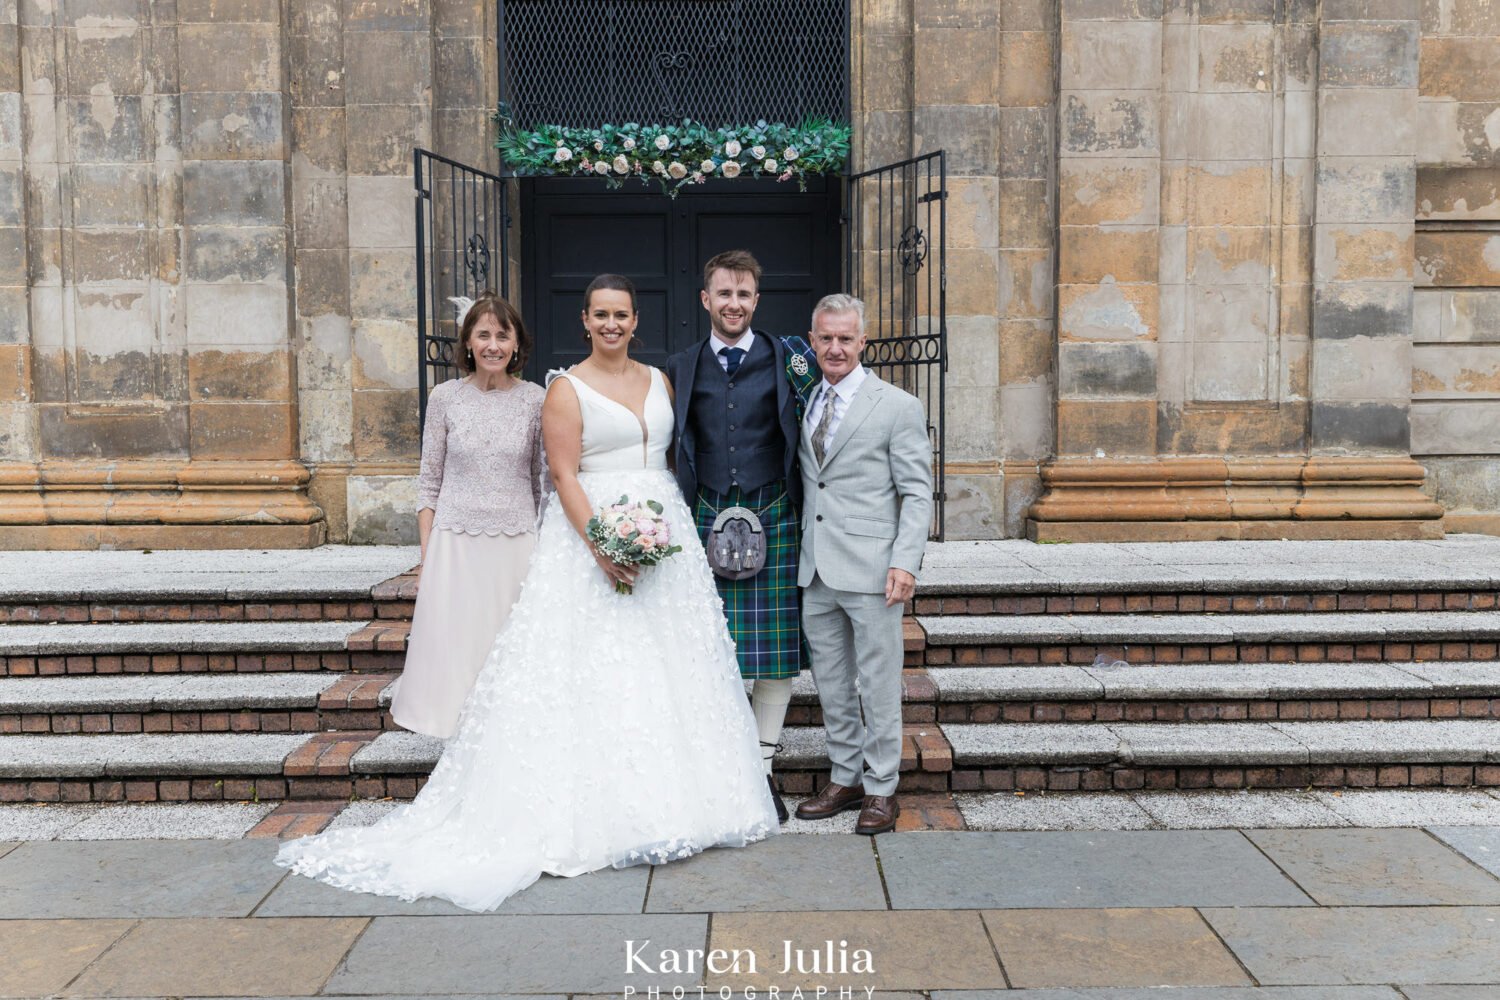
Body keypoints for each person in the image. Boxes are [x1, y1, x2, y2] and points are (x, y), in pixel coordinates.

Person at [276, 274, 777, 912]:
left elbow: (677, 456)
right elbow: (563, 473)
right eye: (601, 315)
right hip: (593, 528)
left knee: (670, 668)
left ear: (635, 318)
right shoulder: (563, 390)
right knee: (593, 669)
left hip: (665, 533)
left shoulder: (661, 380)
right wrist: (601, 544)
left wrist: (664, 529)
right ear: (584, 321)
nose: (612, 325)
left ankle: (684, 800)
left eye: (621, 314)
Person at [665, 250, 819, 823]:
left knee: (775, 659)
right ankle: (717, 773)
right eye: (723, 294)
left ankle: (761, 775)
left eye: (744, 295)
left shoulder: (792, 359)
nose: (734, 304)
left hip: (775, 511)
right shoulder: (679, 368)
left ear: (757, 300)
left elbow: (836, 407)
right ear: (705, 300)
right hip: (705, 513)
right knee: (713, 652)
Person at [792, 294, 932, 836]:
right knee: (831, 682)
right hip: (817, 569)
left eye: (845, 338)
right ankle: (845, 777)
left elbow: (917, 493)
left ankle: (881, 789)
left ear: (863, 342)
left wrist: (906, 561)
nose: (835, 347)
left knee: (876, 682)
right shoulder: (803, 399)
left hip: (875, 569)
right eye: (825, 338)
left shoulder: (896, 405)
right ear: (812, 340)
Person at [390, 293, 545, 739]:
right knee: (456, 646)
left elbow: (542, 480)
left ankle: (506, 733)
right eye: (483, 335)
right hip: (455, 542)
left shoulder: (536, 399)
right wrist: (426, 557)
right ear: (469, 343)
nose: (493, 344)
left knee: (508, 643)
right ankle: (460, 737)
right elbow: (428, 482)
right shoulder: (445, 398)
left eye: (503, 335)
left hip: (516, 539)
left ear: (516, 345)